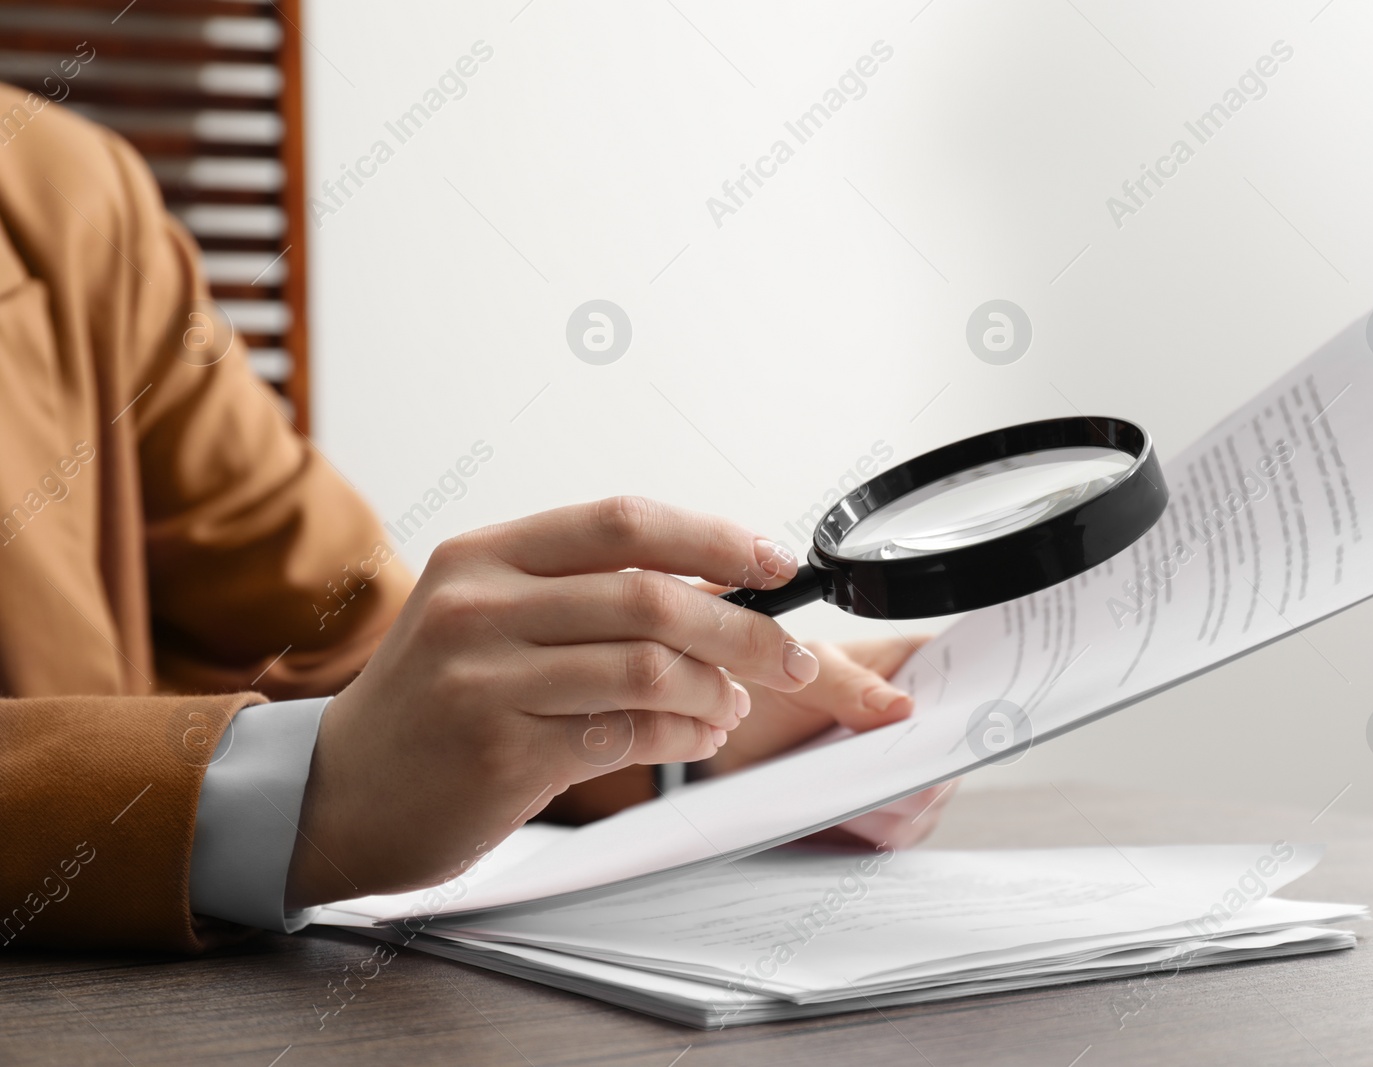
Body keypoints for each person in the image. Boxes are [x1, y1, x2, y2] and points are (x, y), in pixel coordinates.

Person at [0, 83, 950, 953]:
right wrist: (288, 804)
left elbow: (339, 646)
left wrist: (676, 726)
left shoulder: (65, 190)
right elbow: (345, 750)